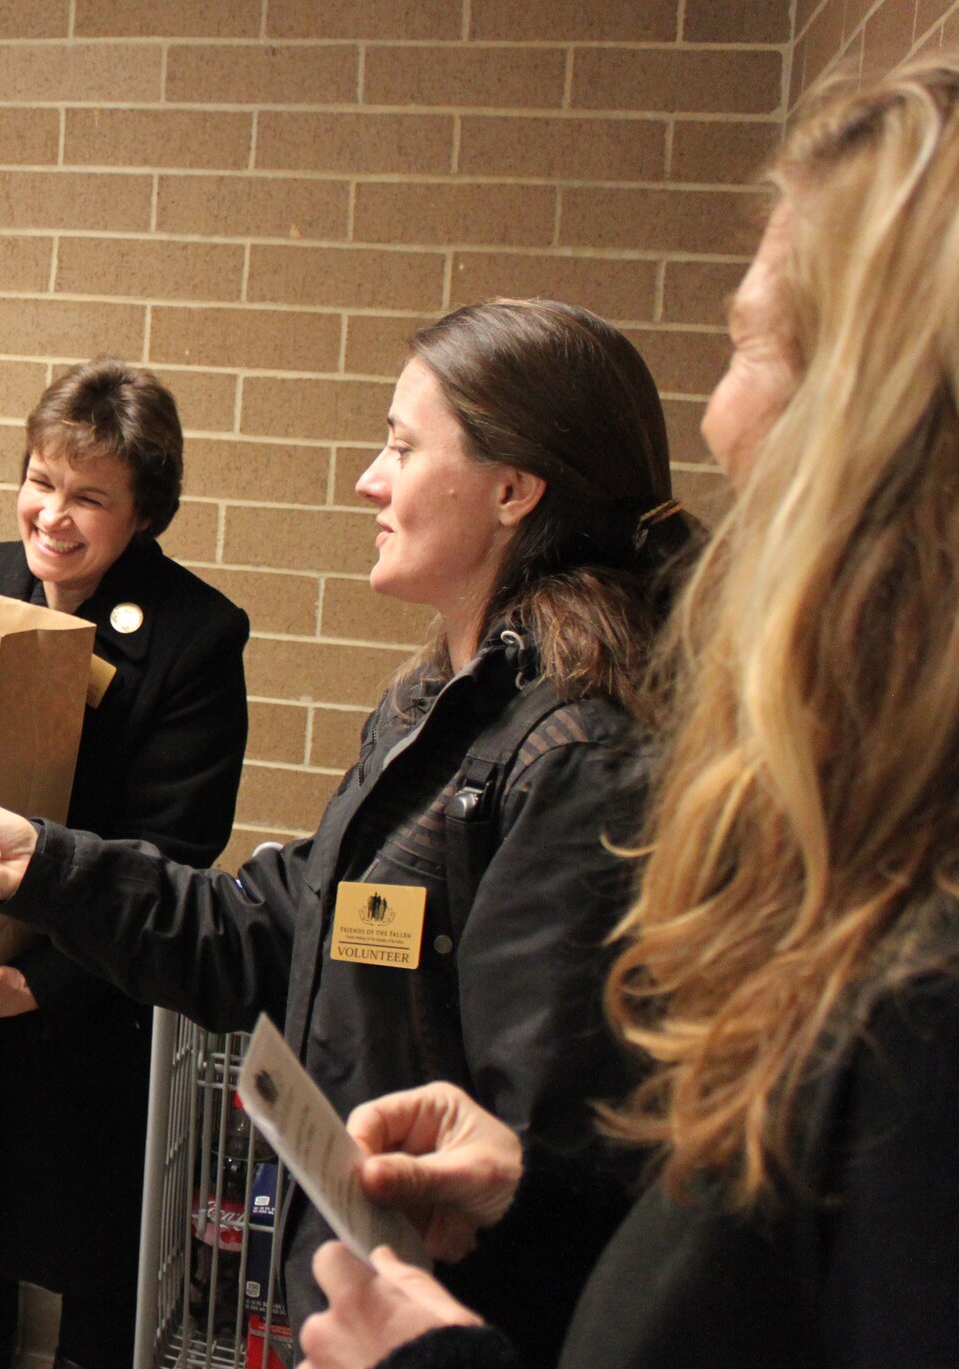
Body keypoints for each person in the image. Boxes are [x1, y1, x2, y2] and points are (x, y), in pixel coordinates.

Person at [294, 53, 959, 1369]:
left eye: (760, 346)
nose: (718, 416)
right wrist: (535, 1189)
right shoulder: (876, 879)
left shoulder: (588, 753)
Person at [0, 300, 702, 1364]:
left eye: (400, 447)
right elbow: (269, 924)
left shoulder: (574, 760)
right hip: (365, 1296)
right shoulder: (439, 705)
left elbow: (550, 1170)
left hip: (430, 1323)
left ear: (512, 490)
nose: (367, 481)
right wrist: (44, 863)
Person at [0, 360, 250, 1369]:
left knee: (90, 1262)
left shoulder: (195, 635)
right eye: (41, 480)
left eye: (90, 497)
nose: (54, 516)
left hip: (84, 1003)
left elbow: (174, 850)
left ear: (144, 513)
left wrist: (35, 987)